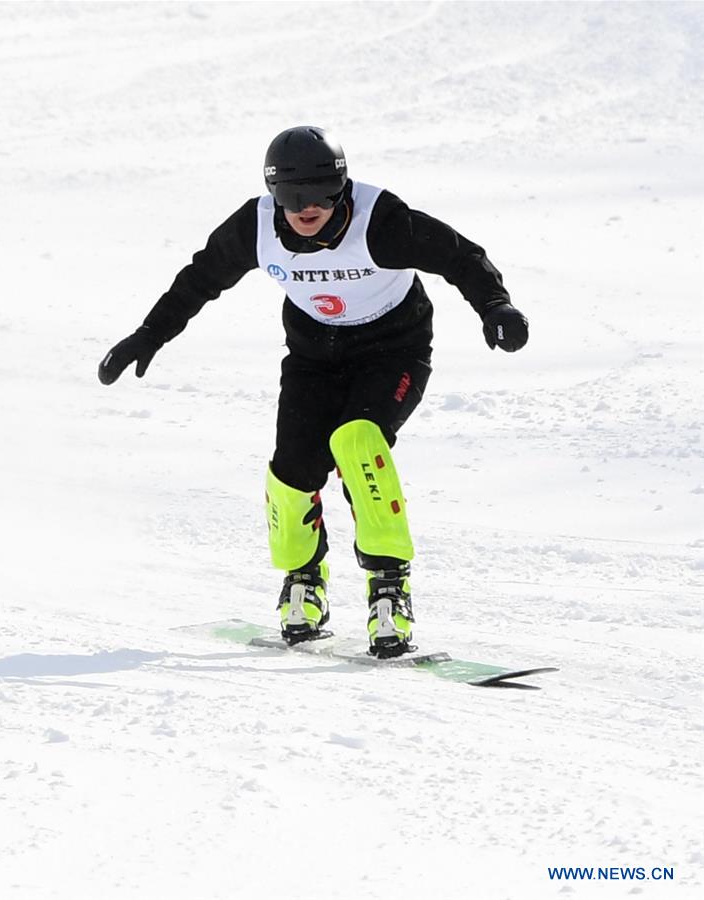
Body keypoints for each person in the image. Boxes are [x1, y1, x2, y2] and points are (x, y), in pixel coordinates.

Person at [98, 125, 528, 658]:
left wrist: (496, 306)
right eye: (294, 196)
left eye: (323, 193)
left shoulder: (382, 223)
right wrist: (150, 333)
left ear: (342, 187)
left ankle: (389, 587)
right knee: (292, 468)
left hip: (394, 351)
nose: (309, 208)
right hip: (312, 358)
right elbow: (200, 278)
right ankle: (303, 580)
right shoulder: (253, 227)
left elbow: (461, 257)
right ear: (274, 193)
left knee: (358, 441)